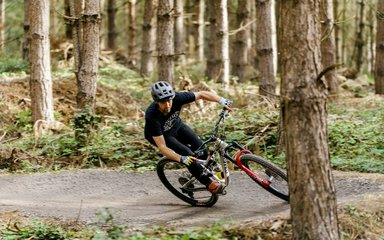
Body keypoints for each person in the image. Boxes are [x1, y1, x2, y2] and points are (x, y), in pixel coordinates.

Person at [144, 81, 233, 194]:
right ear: (156, 102)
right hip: (163, 136)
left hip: (178, 126)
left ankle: (194, 173)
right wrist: (181, 158)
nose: (167, 105)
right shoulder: (151, 116)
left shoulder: (178, 97)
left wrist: (222, 100)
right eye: (163, 102)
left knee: (203, 150)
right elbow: (162, 146)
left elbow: (201, 94)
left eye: (169, 100)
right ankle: (208, 183)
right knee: (188, 156)